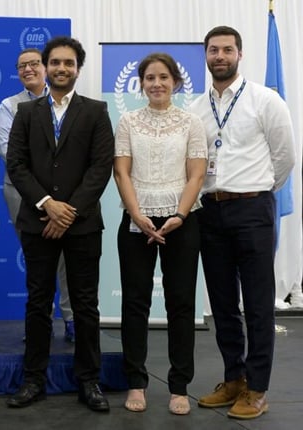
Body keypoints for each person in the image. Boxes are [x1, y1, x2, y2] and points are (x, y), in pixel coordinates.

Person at [189, 26, 295, 420]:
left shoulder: (266, 101)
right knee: (222, 302)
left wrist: (257, 191)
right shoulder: (197, 108)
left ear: (240, 53)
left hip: (252, 209)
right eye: (213, 50)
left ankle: (258, 388)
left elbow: (284, 159)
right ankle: (234, 378)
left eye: (227, 50)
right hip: (210, 211)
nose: (220, 56)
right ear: (206, 55)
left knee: (257, 304)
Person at [5, 36, 114, 411]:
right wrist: (48, 205)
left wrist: (68, 212)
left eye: (69, 63)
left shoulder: (96, 111)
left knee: (85, 305)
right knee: (38, 303)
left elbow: (101, 168)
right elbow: (16, 166)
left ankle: (89, 381)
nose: (61, 69)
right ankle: (33, 379)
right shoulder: (26, 113)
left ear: (77, 69)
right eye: (55, 63)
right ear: (46, 67)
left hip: (82, 225)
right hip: (38, 222)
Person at [113, 52, 208, 415]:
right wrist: (138, 215)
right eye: (150, 78)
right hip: (137, 220)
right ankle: (135, 381)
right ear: (141, 83)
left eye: (164, 77)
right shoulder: (127, 121)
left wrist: (179, 215)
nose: (157, 84)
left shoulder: (190, 122)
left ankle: (179, 386)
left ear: (176, 82)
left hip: (182, 220)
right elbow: (122, 172)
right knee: (134, 304)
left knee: (180, 303)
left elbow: (196, 174)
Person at [0, 48, 75, 344]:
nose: (27, 69)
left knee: (67, 258)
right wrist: (42, 194)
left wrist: (56, 194)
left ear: (46, 67)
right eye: (21, 66)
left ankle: (70, 318)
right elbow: (6, 149)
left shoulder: (67, 104)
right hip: (21, 193)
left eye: (33, 64)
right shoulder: (9, 105)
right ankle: (40, 321)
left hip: (65, 196)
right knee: (36, 258)